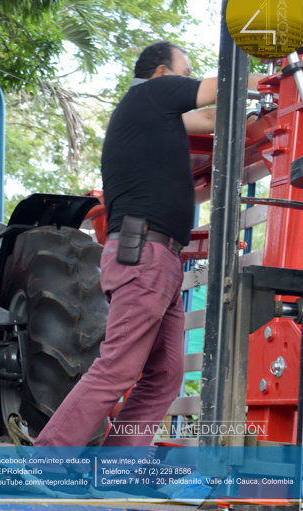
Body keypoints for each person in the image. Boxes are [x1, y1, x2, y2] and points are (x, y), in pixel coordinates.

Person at [34, 41, 262, 448]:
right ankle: (47, 460)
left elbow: (211, 116)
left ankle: (115, 472)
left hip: (161, 260)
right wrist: (278, 84)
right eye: (184, 71)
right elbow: (220, 90)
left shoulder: (156, 117)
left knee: (165, 376)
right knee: (117, 369)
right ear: (161, 74)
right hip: (146, 255)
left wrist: (253, 114)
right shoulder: (149, 92)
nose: (188, 79)